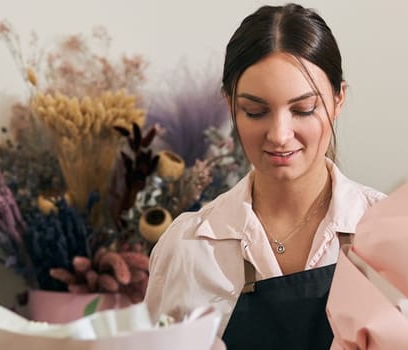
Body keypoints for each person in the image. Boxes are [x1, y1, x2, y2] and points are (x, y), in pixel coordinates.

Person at [145, 3, 385, 349]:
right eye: (255, 111)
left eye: (303, 109)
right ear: (230, 105)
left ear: (338, 99)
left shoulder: (391, 233)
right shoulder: (189, 248)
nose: (279, 134)